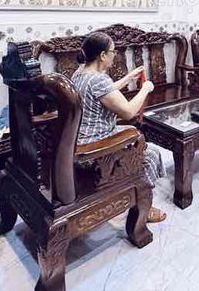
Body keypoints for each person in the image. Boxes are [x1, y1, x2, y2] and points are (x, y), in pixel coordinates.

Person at [70, 32, 167, 222]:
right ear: (102, 55)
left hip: (79, 142)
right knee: (151, 154)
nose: (114, 55)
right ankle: (142, 207)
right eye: (113, 52)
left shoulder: (80, 73)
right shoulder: (99, 79)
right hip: (96, 148)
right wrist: (145, 89)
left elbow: (105, 91)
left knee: (140, 144)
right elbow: (129, 112)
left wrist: (128, 78)